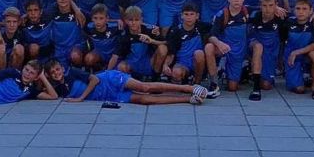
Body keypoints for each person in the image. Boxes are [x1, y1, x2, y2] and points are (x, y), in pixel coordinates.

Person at [46, 60, 208, 105]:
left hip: (108, 80)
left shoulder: (71, 72)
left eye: (57, 69)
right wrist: (41, 77)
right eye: (52, 73)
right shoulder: (56, 87)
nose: (56, 73)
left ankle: (188, 88)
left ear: (62, 68)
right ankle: (187, 99)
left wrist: (80, 98)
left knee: (144, 87)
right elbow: (51, 96)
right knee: (144, 100)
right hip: (107, 96)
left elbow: (94, 79)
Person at [205, 0, 251, 96]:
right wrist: (219, 43)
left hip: (240, 50)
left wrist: (276, 8)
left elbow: (265, 9)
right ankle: (214, 83)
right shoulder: (222, 14)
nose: (236, 0)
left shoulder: (247, 11)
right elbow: (211, 36)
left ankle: (243, 71)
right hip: (226, 48)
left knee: (232, 88)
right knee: (209, 47)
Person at [249, 0, 287, 99]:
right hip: (253, 47)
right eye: (264, 5)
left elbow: (302, 16)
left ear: (276, 4)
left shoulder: (282, 17)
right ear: (260, 5)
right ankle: (256, 89)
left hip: (270, 53)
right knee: (258, 46)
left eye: (271, 5)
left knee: (266, 85)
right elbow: (237, 7)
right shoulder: (254, 15)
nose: (267, 9)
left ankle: (250, 71)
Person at [284, 0, 314, 99]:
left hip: (305, 53)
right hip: (292, 56)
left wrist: (296, 52)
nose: (301, 12)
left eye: (304, 9)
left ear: (311, 10)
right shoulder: (288, 21)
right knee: (299, 89)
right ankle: (302, 76)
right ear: (293, 9)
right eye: (298, 8)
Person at [162, 3, 209, 87]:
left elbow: (218, 29)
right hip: (182, 63)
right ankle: (182, 82)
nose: (189, 17)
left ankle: (197, 83)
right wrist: (165, 65)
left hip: (198, 62)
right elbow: (171, 53)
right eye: (186, 14)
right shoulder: (175, 31)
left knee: (199, 53)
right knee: (176, 73)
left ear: (197, 16)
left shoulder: (204, 27)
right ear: (181, 16)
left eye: (192, 14)